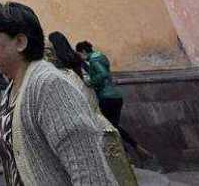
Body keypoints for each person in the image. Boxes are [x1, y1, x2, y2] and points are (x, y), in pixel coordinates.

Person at [0, 3, 114, 185]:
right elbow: (16, 139)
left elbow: (90, 175)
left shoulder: (49, 85)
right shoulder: (12, 87)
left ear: (20, 42)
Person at [50, 33, 136, 186]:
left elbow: (97, 76)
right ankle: (124, 164)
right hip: (92, 100)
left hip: (82, 102)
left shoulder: (60, 65)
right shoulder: (79, 60)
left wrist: (90, 83)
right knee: (107, 132)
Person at [76, 40, 145, 157]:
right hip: (116, 96)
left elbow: (103, 74)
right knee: (114, 126)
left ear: (83, 51)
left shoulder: (93, 60)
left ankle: (129, 152)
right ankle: (134, 149)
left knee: (109, 127)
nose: (81, 58)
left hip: (106, 97)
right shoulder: (101, 56)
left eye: (79, 55)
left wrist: (90, 82)